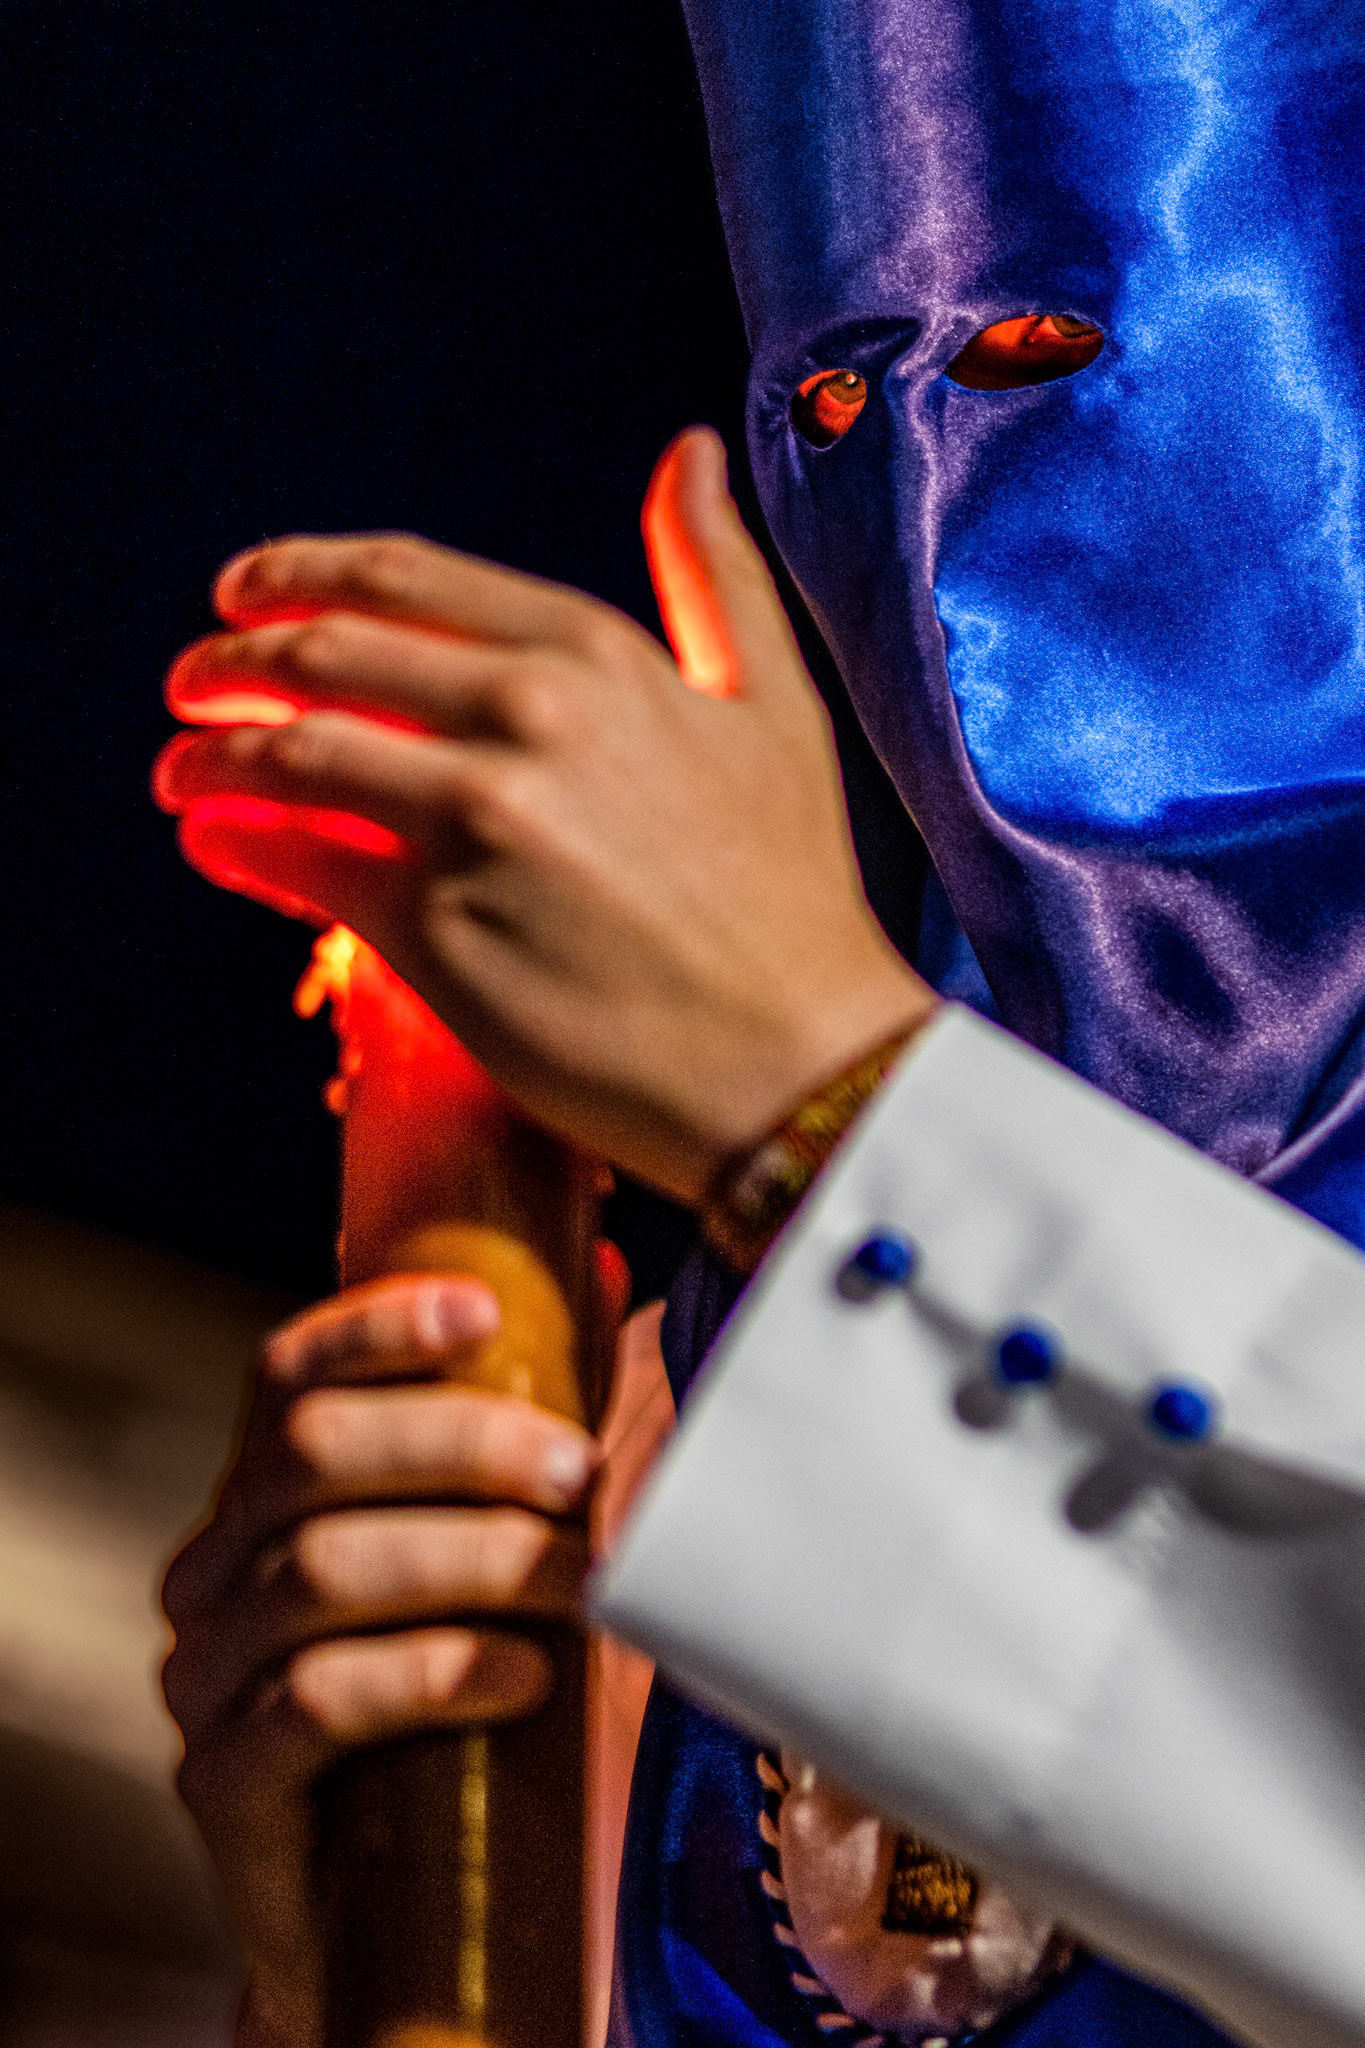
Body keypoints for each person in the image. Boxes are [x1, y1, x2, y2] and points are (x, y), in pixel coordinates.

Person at [155, 0, 1365, 2040]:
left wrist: (815, 1115)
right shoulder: (679, 1424)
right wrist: (371, 1948)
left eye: (1042, 359)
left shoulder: (829, 1231)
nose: (919, 511)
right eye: (828, 399)